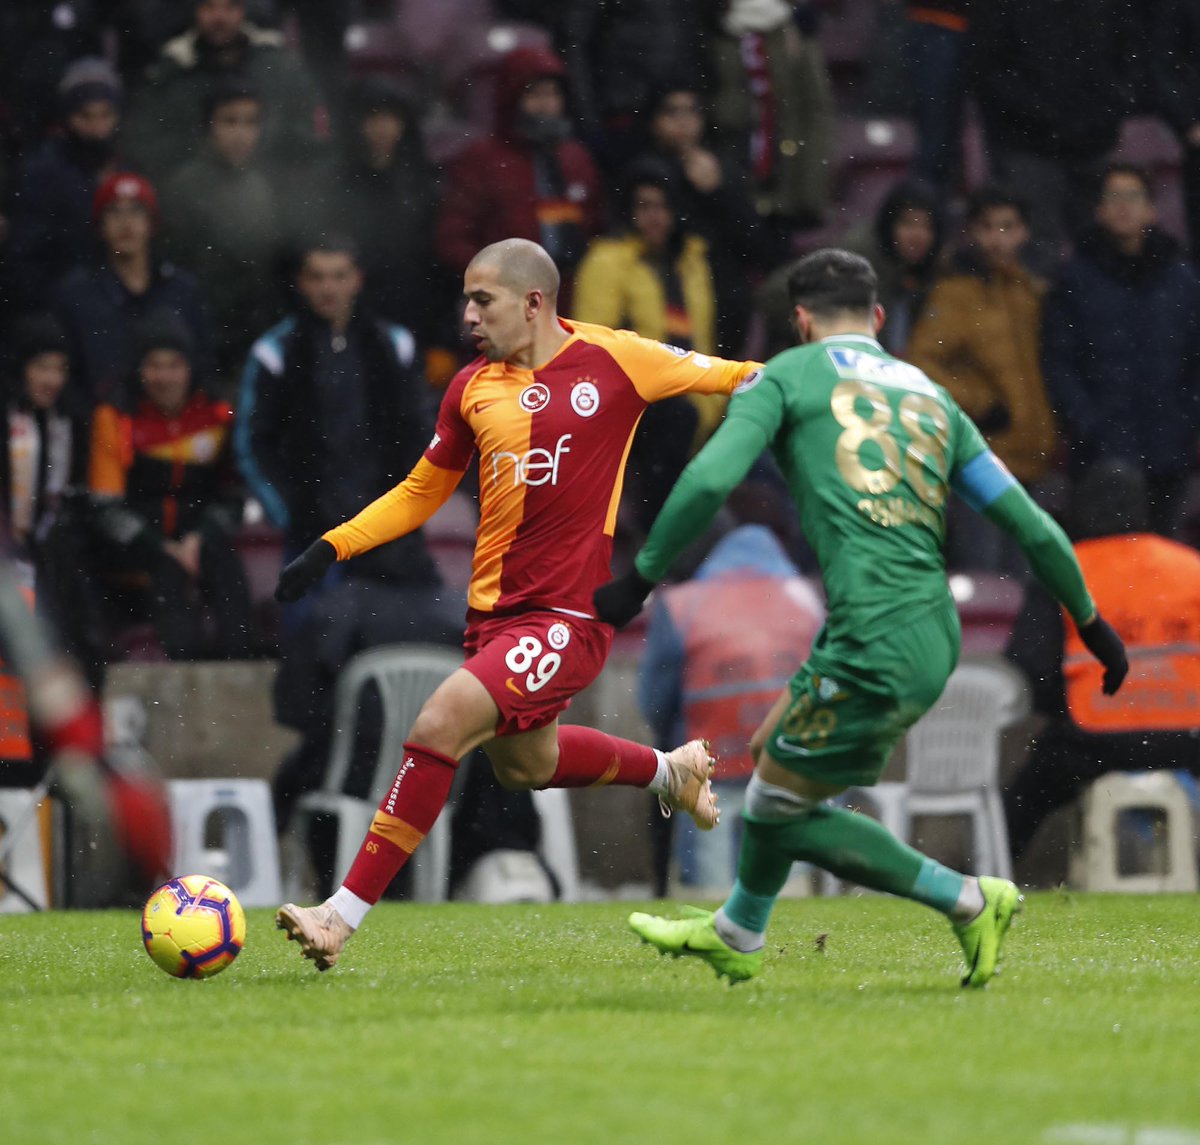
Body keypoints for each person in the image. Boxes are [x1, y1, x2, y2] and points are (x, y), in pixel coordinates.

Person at [594, 249, 1128, 987]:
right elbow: (1034, 526)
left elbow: (711, 475)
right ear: (878, 318)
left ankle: (969, 899)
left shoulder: (787, 373)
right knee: (768, 751)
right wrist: (1093, 624)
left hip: (875, 632)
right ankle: (741, 928)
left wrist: (639, 579)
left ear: (802, 320)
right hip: (926, 626)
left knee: (778, 806)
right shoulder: (933, 397)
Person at [272, 237, 760, 971]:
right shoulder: (470, 387)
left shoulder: (619, 358)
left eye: (483, 300)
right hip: (495, 617)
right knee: (524, 765)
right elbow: (421, 491)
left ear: (533, 303)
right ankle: (671, 770)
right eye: (466, 298)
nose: (467, 314)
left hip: (570, 616)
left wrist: (829, 377)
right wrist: (332, 547)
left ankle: (339, 915)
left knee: (439, 721)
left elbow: (746, 380)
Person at [1003, 459, 1200, 865]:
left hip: (1095, 739)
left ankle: (990, 873)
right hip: (1187, 737)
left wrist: (1062, 707)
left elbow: (1031, 662)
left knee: (1023, 802)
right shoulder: (1189, 568)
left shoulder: (1064, 571)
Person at [639, 523, 824, 892]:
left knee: (711, 882)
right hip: (789, 763)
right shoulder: (806, 598)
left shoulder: (681, 604)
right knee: (786, 883)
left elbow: (654, 701)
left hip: (709, 763)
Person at [1041, 163, 1200, 537]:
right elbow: (1058, 362)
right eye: (1113, 197)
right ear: (1099, 209)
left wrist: (1184, 423)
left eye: (1133, 197)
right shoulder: (1074, 279)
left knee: (1163, 564)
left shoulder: (1182, 282)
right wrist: (1089, 426)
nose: (1123, 206)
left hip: (1167, 452)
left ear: (1152, 210)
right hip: (1099, 454)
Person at [906, 185, 1059, 571]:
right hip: (983, 462)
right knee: (987, 581)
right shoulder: (954, 294)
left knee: (1027, 587)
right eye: (988, 227)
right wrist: (980, 403)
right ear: (971, 233)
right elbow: (920, 365)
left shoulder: (1030, 291)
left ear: (1025, 232)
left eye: (1008, 227)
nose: (998, 239)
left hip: (1033, 460)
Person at [88, 315, 255, 661]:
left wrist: (197, 539)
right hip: (138, 546)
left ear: (191, 368)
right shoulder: (116, 418)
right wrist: (161, 547)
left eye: (174, 365)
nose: (164, 378)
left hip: (201, 540)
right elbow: (104, 507)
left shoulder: (218, 413)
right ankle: (184, 680)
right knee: (168, 575)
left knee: (225, 567)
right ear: (139, 370)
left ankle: (242, 673)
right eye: (153, 366)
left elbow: (235, 495)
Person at [434, 46, 604, 313]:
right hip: (507, 306)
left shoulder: (576, 159)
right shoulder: (482, 160)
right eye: (534, 95)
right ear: (511, 99)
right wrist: (498, 281)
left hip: (573, 304)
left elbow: (597, 230)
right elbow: (453, 239)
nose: (546, 105)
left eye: (553, 94)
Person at [160, 80, 283, 388]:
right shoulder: (184, 188)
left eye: (251, 122)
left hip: (252, 335)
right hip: (202, 336)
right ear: (209, 126)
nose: (241, 133)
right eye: (229, 121)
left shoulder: (263, 188)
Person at [55, 172, 211, 410]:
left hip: (171, 437)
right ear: (100, 225)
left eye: (136, 211)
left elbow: (204, 363)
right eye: (114, 212)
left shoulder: (183, 290)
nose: (126, 223)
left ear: (152, 223)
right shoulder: (76, 295)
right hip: (101, 432)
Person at [122, 0, 323, 182]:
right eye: (209, 7)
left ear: (243, 10)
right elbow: (144, 143)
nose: (219, 17)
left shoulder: (278, 65)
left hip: (274, 189)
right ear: (195, 11)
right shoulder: (170, 71)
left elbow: (309, 139)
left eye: (230, 7)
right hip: (192, 192)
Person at [2, 58, 125, 314]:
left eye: (106, 115)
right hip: (60, 304)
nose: (97, 128)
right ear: (68, 115)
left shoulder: (124, 164)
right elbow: (27, 251)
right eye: (86, 116)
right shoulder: (42, 171)